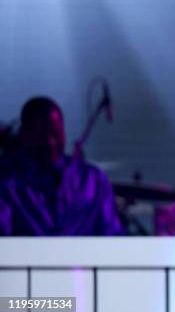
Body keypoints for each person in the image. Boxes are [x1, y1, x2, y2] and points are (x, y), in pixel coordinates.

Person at [0, 97, 123, 235]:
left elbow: (112, 234)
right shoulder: (6, 183)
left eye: (56, 134)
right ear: (24, 134)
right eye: (41, 135)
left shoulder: (92, 180)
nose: (50, 142)